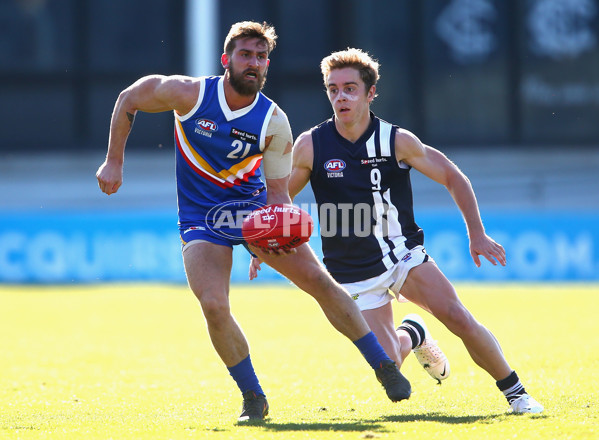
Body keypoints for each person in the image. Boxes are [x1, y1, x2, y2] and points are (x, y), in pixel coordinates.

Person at [96, 22, 413, 423]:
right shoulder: (188, 94)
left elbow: (278, 193)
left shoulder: (273, 121)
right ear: (226, 59)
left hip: (252, 213)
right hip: (201, 218)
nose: (255, 63)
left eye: (262, 57)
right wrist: (114, 160)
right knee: (213, 305)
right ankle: (253, 398)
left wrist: (273, 232)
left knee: (319, 281)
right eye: (246, 55)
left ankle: (383, 366)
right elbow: (130, 97)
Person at [251, 48, 543, 414]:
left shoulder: (396, 140)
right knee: (389, 364)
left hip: (401, 254)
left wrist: (477, 233)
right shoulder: (311, 145)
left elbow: (453, 176)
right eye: (333, 89)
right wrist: (260, 244)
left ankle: (517, 394)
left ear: (371, 93)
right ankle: (413, 334)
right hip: (350, 271)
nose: (340, 97)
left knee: (456, 316)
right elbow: (279, 200)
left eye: (350, 89)